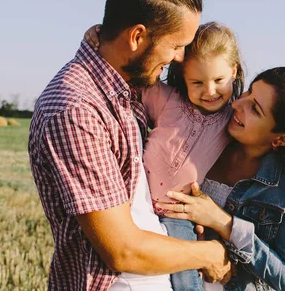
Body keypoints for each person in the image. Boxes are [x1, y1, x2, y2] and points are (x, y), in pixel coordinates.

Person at [28, 0, 231, 291]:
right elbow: (123, 251)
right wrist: (210, 254)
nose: (181, 58)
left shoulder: (124, 85)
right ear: (137, 36)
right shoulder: (75, 110)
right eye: (175, 44)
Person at [86, 20, 244, 290]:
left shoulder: (232, 120)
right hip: (138, 202)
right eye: (197, 82)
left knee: (185, 277)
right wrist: (102, 35)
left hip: (178, 214)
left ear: (234, 71)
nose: (209, 91)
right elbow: (127, 79)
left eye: (219, 80)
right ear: (183, 77)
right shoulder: (168, 100)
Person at [158, 67, 285, 290]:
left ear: (282, 139)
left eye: (254, 109)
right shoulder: (201, 132)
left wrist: (222, 222)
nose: (237, 104)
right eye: (248, 92)